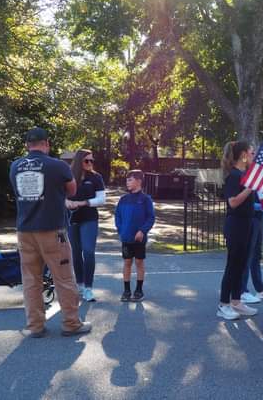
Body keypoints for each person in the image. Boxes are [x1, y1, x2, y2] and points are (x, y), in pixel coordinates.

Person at [9, 127, 91, 338]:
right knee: (63, 277)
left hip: (25, 231)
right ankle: (71, 323)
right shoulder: (57, 165)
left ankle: (35, 326)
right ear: (46, 143)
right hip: (52, 230)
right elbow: (72, 190)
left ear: (27, 145)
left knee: (31, 279)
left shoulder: (15, 166)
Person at [217, 141, 258, 320]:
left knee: (241, 266)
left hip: (247, 224)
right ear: (243, 155)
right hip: (236, 226)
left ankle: (236, 301)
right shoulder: (234, 176)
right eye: (251, 152)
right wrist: (250, 188)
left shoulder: (244, 174)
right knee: (232, 266)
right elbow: (232, 202)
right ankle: (223, 304)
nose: (253, 155)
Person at [66, 149, 106, 302]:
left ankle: (89, 288)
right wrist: (66, 202)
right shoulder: (68, 176)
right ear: (78, 161)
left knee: (88, 252)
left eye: (92, 161)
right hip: (71, 219)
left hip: (89, 218)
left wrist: (83, 203)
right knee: (75, 253)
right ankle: (80, 285)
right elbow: (59, 194)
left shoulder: (96, 177)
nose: (90, 163)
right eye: (86, 161)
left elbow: (101, 199)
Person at [114, 170, 155, 303]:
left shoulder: (145, 199)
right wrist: (120, 230)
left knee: (139, 262)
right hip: (126, 238)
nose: (127, 182)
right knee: (127, 262)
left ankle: (139, 290)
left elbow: (151, 217)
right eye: (127, 180)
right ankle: (126, 290)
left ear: (139, 181)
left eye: (130, 180)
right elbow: (118, 216)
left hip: (139, 238)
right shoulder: (123, 199)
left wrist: (142, 231)